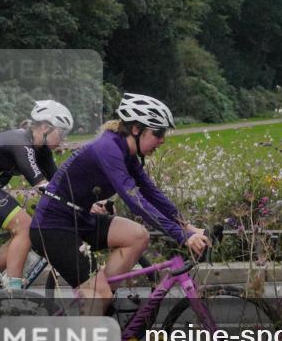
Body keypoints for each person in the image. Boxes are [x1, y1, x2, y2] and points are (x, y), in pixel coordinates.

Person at [30, 93, 208, 314]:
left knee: (137, 236)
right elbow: (135, 201)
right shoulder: (108, 148)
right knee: (99, 295)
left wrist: (187, 227)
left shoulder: (126, 151)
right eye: (158, 133)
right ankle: (93, 310)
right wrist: (181, 236)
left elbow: (151, 193)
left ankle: (97, 303)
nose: (162, 140)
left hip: (79, 218)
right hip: (53, 226)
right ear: (136, 129)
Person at [0, 100, 74, 289]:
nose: (63, 140)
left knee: (21, 232)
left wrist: (88, 202)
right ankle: (13, 292)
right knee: (25, 227)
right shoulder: (21, 143)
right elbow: (42, 184)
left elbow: (60, 185)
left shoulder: (41, 151)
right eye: (62, 133)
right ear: (45, 127)